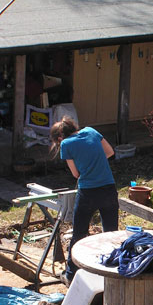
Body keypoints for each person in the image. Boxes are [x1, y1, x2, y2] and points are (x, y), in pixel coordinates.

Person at [50, 116, 118, 285]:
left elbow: (75, 174)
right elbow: (110, 152)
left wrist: (86, 167)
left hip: (88, 192)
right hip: (109, 188)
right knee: (111, 233)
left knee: (79, 234)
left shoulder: (66, 144)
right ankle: (113, 273)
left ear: (60, 138)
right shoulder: (91, 131)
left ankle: (71, 274)